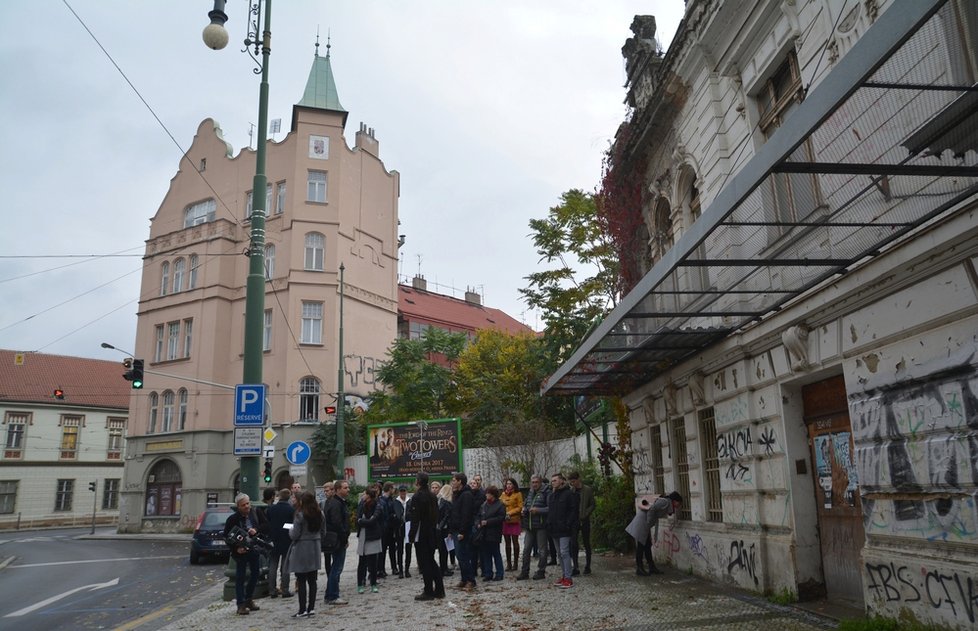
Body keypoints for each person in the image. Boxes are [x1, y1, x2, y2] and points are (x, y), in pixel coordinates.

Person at [223, 493, 266, 615]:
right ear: (238, 506)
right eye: (243, 505)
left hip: (254, 548)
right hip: (240, 552)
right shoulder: (233, 519)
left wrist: (256, 530)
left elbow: (266, 525)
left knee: (255, 574)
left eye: (248, 503)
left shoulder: (256, 513)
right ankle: (240, 604)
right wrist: (235, 549)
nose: (247, 506)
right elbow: (226, 536)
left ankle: (248, 599)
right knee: (240, 577)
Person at [408, 472, 445, 600]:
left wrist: (411, 536)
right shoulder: (432, 496)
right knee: (431, 560)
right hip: (432, 531)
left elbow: (415, 518)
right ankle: (439, 589)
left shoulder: (417, 497)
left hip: (422, 533)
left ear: (418, 482)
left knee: (425, 562)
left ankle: (428, 590)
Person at [289, 491, 323, 618]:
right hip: (315, 546)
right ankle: (311, 608)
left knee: (301, 579)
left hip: (302, 547)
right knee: (312, 580)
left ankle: (302, 609)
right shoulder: (320, 514)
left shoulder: (300, 515)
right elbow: (323, 531)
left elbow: (294, 534)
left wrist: (290, 530)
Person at [547, 472, 579, 589]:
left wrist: (567, 524)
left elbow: (573, 511)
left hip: (564, 529)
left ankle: (568, 578)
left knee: (565, 552)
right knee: (559, 553)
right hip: (554, 529)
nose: (553, 482)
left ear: (561, 481)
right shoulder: (552, 495)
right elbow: (551, 511)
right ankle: (564, 575)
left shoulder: (569, 494)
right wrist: (549, 524)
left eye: (555, 480)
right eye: (552, 480)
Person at [323, 479, 351, 606]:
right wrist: (344, 538)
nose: (348, 490)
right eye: (345, 488)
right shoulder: (335, 504)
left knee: (335, 567)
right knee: (337, 568)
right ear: (338, 489)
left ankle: (330, 593)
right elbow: (337, 523)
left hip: (336, 539)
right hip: (337, 540)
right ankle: (333, 595)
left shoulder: (336, 502)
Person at [516, 475, 550, 581]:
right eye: (533, 482)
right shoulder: (530, 492)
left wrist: (538, 510)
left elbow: (550, 508)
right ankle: (524, 572)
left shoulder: (546, 492)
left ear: (540, 482)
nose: (534, 484)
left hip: (541, 526)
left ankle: (541, 571)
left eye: (536, 482)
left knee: (542, 550)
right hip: (529, 525)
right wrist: (524, 510)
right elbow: (526, 504)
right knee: (526, 550)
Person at [449, 472, 478, 591]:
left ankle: (471, 580)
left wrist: (462, 531)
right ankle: (464, 579)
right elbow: (454, 514)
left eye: (454, 480)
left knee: (464, 556)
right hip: (456, 530)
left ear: (460, 481)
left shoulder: (466, 495)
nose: (452, 482)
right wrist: (451, 530)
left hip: (463, 531)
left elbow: (466, 515)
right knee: (459, 556)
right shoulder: (457, 494)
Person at [645, 491, 683, 575]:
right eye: (678, 503)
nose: (678, 506)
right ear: (674, 501)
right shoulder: (664, 502)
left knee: (647, 544)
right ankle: (642, 567)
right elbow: (652, 509)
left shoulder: (667, 504)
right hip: (644, 524)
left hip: (647, 524)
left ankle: (650, 567)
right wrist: (647, 525)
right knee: (644, 545)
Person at [266, 488, 295, 598]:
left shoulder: (271, 509)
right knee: (285, 566)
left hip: (273, 539)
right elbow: (292, 525)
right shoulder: (291, 510)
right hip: (286, 539)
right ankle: (285, 589)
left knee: (273, 565)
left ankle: (272, 590)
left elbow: (268, 522)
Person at [356, 486, 383, 594]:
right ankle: (360, 583)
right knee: (362, 561)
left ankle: (373, 584)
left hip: (373, 535)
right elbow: (357, 519)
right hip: (363, 535)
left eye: (365, 494)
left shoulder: (377, 505)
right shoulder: (361, 504)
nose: (363, 496)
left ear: (368, 495)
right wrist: (364, 521)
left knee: (373, 562)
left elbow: (373, 520)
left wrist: (363, 521)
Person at [476, 485, 506, 581]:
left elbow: (501, 517)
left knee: (496, 553)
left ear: (493, 495)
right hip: (484, 533)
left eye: (488, 493)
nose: (486, 495)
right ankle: (488, 573)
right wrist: (478, 523)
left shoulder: (500, 504)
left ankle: (499, 573)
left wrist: (488, 522)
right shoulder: (484, 504)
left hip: (494, 533)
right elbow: (479, 516)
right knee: (486, 554)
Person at [567, 471, 594, 576]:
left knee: (586, 543)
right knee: (573, 543)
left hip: (584, 520)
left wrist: (585, 513)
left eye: (574, 481)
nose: (573, 483)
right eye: (571, 482)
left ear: (579, 479)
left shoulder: (587, 490)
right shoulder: (571, 491)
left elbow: (592, 504)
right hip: (574, 521)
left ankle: (588, 566)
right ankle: (576, 566)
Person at [500, 477, 523, 572]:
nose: (508, 485)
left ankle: (516, 563)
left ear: (514, 485)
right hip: (505, 521)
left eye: (510, 484)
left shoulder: (518, 494)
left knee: (515, 542)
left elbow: (520, 507)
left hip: (514, 520)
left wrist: (510, 512)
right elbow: (499, 504)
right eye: (507, 484)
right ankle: (509, 563)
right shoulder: (502, 494)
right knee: (507, 543)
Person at [626, 499, 654, 575]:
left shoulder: (645, 507)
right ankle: (640, 568)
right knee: (641, 547)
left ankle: (650, 566)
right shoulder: (647, 508)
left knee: (647, 545)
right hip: (641, 528)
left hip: (643, 528)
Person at [435, 481, 455, 576]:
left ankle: (444, 568)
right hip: (444, 529)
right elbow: (448, 517)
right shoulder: (447, 503)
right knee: (444, 550)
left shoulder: (438, 500)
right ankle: (444, 569)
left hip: (438, 528)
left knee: (442, 550)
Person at [319, 481, 335, 575]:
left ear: (333, 491)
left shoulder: (337, 502)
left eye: (327, 491)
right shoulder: (322, 504)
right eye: (324, 491)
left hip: (334, 534)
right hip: (326, 534)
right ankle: (330, 577)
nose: (325, 493)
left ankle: (334, 577)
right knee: (327, 558)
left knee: (336, 558)